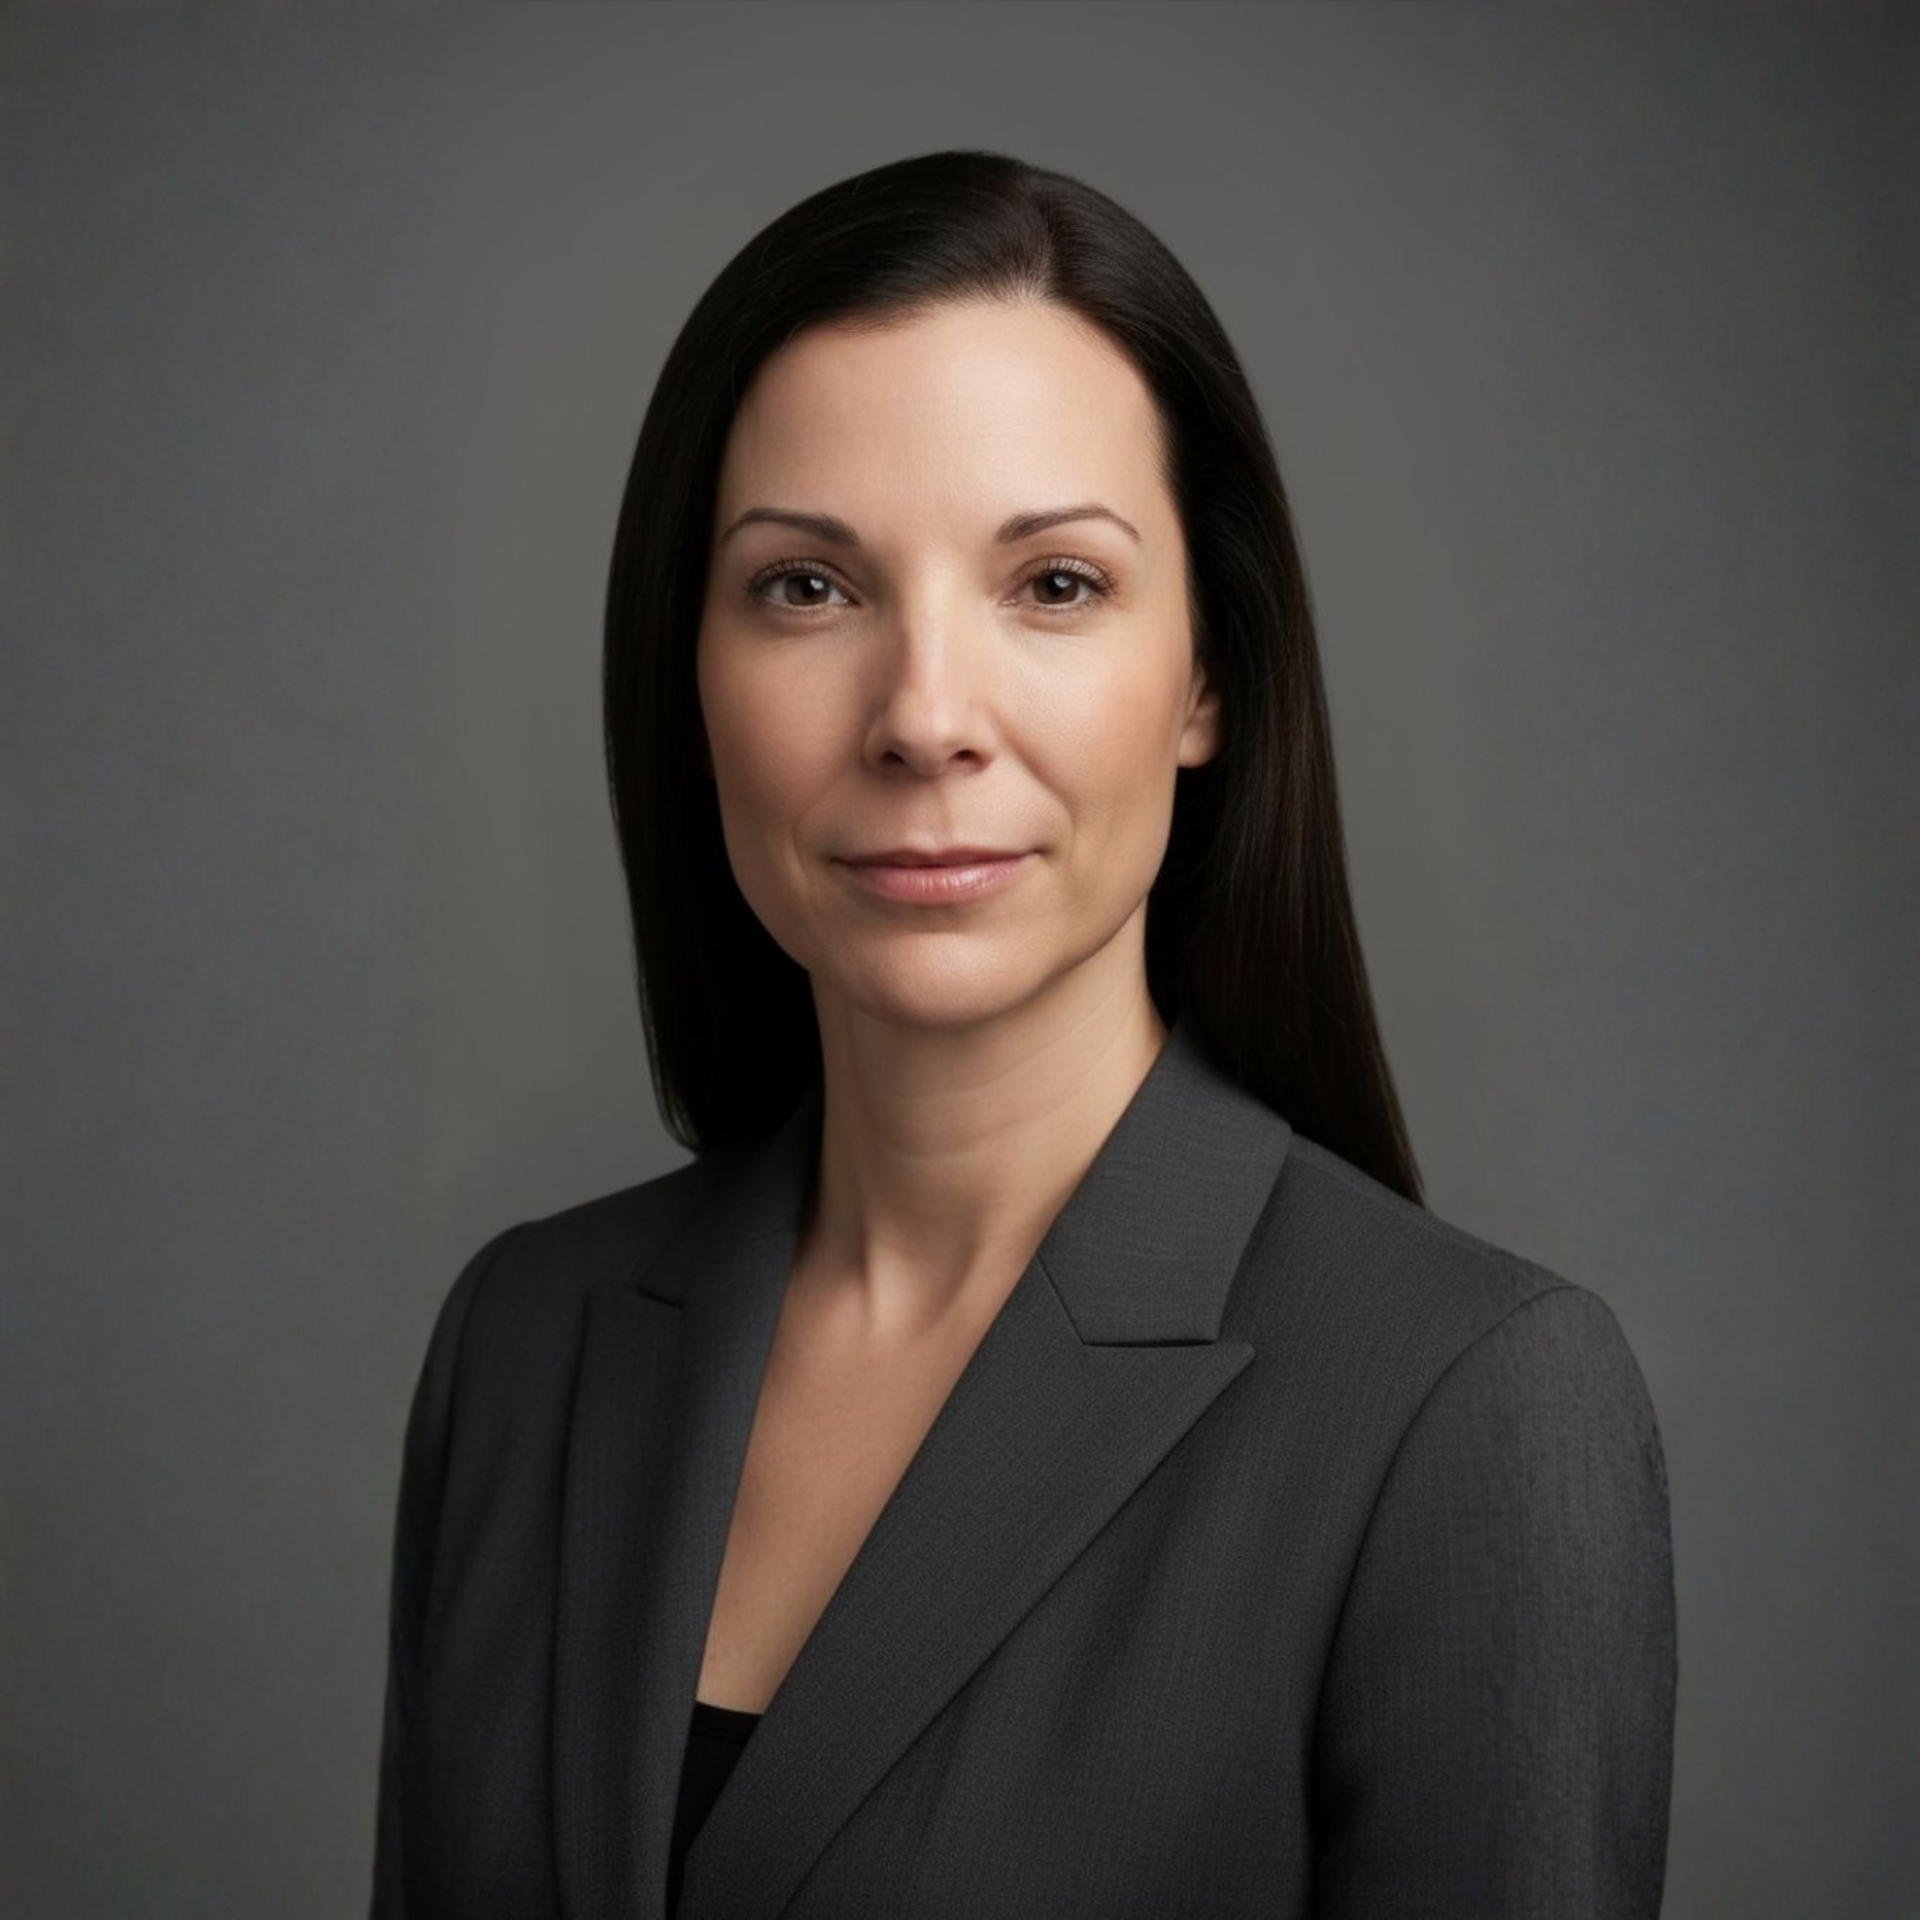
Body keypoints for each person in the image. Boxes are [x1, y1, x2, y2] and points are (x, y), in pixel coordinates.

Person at [371, 149, 1676, 1919]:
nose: (923, 718)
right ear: (686, 669)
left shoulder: (1470, 1410)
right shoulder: (524, 1346)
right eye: (806, 589)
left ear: (1210, 677)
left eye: (1054, 585)